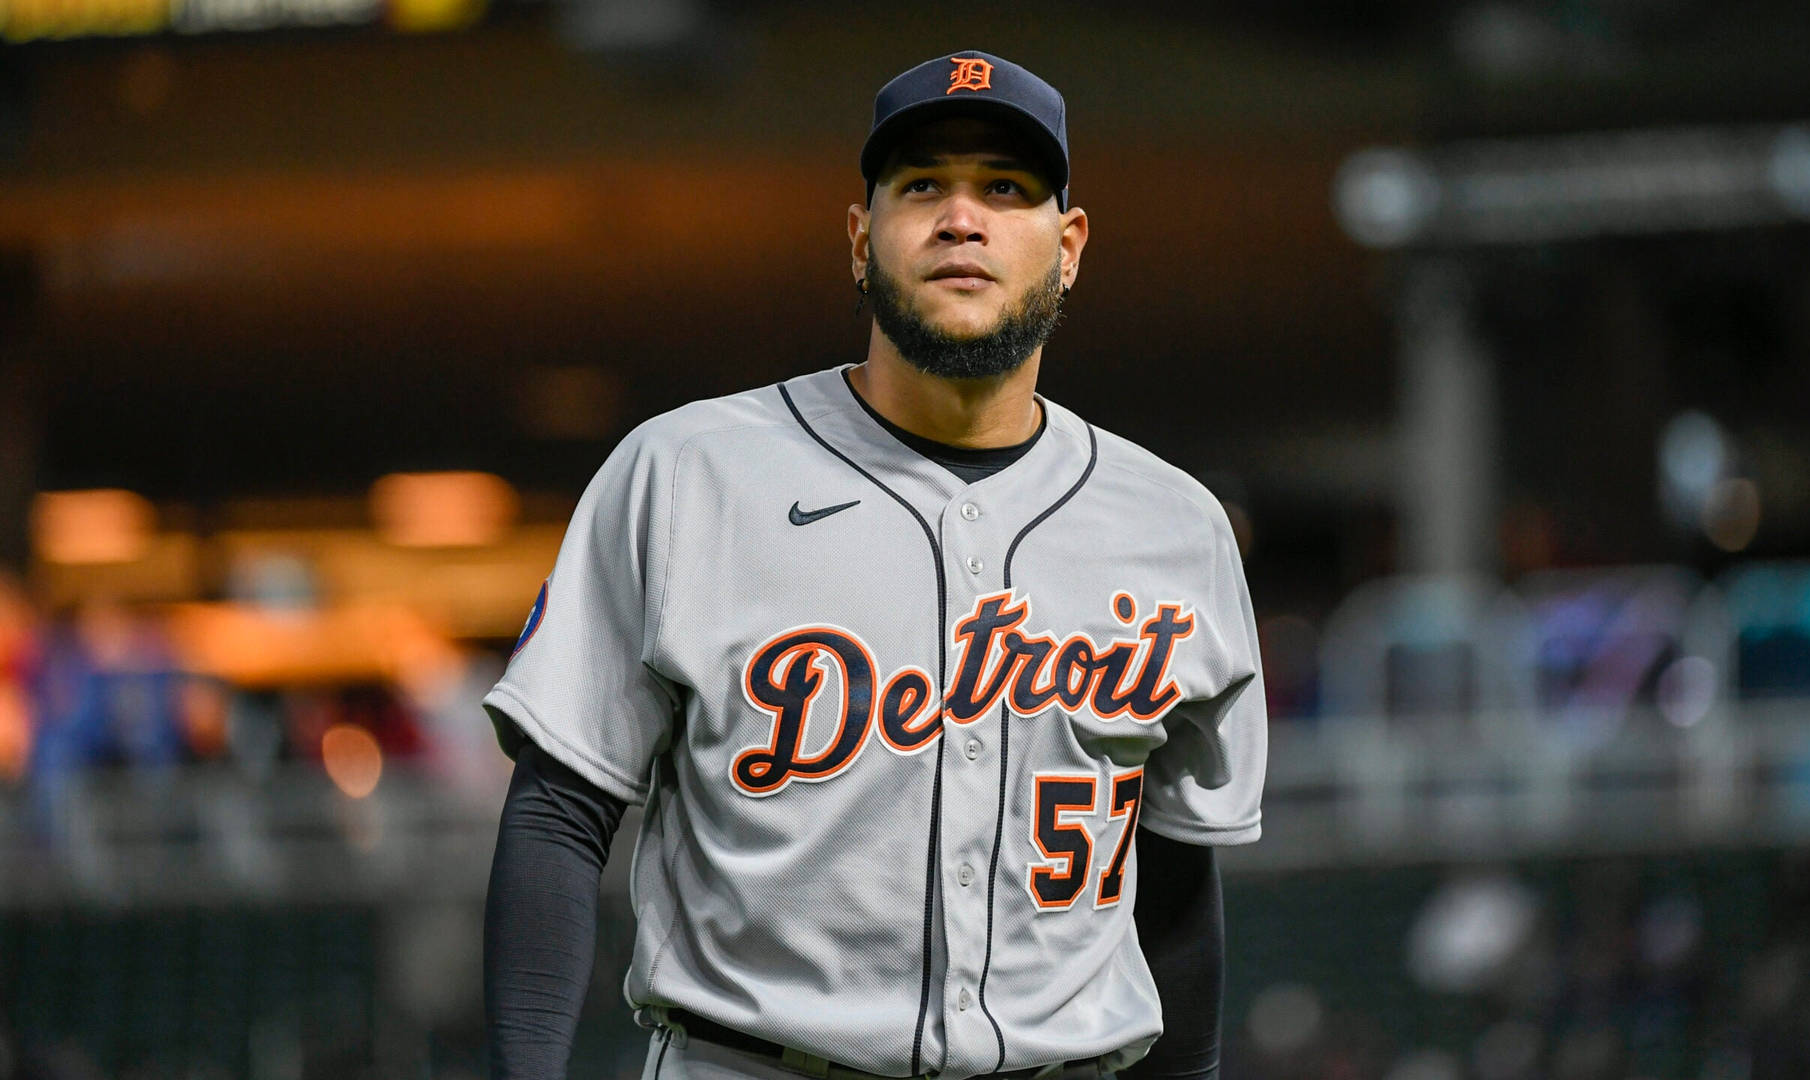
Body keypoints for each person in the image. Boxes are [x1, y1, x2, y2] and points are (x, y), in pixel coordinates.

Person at [483, 50, 1267, 1080]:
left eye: (1006, 188)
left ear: (1069, 246)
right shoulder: (687, 474)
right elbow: (559, 813)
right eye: (922, 186)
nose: (961, 218)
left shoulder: (1176, 528)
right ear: (862, 239)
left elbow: (1171, 878)